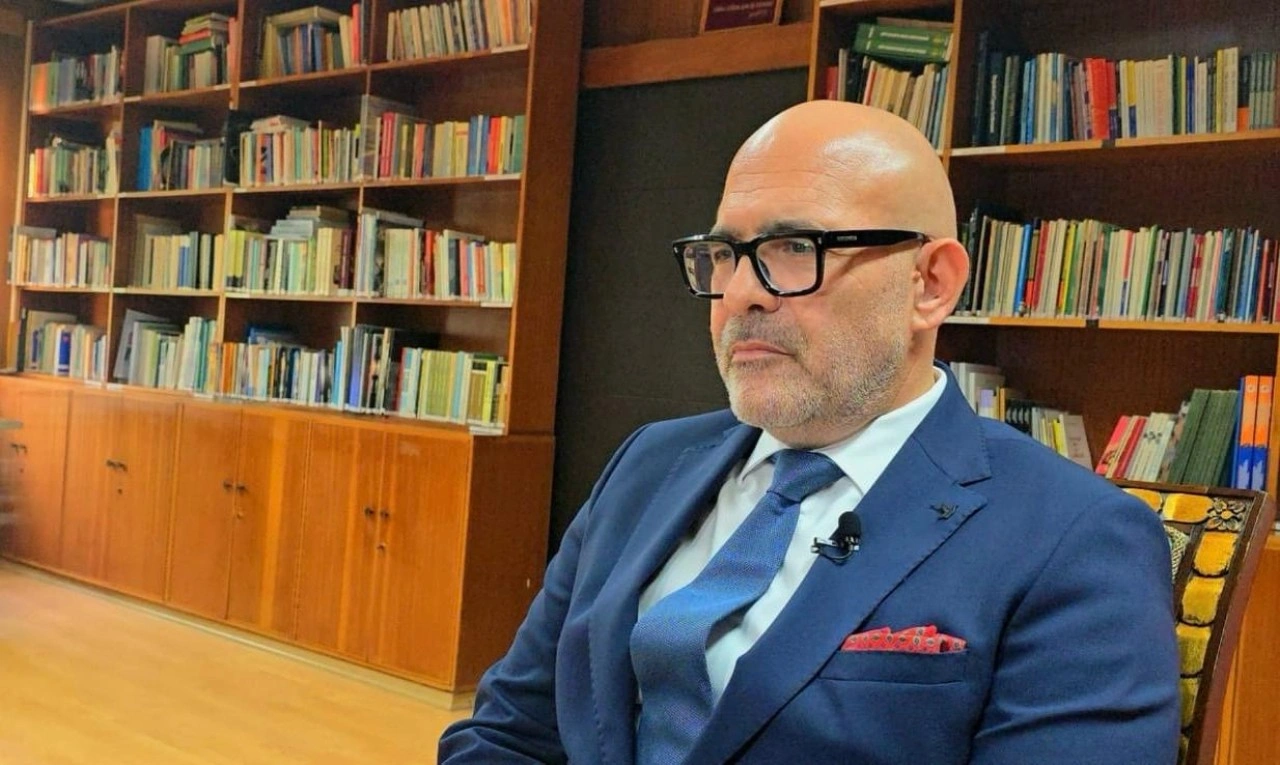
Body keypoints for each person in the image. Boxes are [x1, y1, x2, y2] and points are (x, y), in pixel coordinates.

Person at [438, 100, 1180, 764]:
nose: (739, 294)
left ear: (930, 284)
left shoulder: (1073, 536)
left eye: (796, 248)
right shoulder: (648, 464)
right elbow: (509, 730)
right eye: (724, 255)